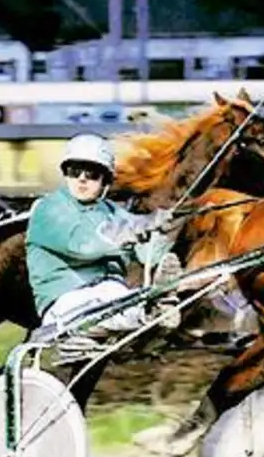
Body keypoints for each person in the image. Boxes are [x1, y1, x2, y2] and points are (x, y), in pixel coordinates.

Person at [25, 132, 182, 353]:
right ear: (66, 174)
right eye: (75, 171)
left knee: (120, 297)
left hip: (109, 293)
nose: (82, 178)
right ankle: (152, 310)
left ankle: (157, 308)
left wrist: (163, 230)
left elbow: (150, 256)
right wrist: (140, 227)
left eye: (92, 174)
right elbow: (85, 245)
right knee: (112, 303)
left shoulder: (112, 211)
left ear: (105, 181)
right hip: (65, 301)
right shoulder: (48, 208)